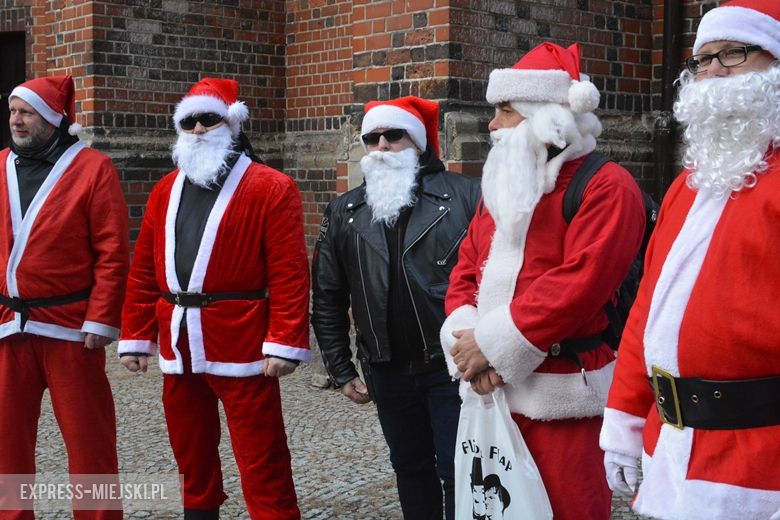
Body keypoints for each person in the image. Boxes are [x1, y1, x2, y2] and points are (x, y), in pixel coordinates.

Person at [440, 42, 646, 520]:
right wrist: (467, 343)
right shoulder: (503, 185)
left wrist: (491, 346)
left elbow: (581, 283)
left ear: (545, 117)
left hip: (564, 396)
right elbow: (465, 270)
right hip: (490, 389)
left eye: (504, 111)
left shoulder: (607, 185)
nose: (492, 124)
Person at [600, 1, 780, 518]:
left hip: (757, 463)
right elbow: (648, 312)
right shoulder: (687, 186)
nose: (714, 71)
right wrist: (625, 421)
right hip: (673, 449)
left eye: (735, 54)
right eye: (703, 60)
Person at [118, 78, 310, 520]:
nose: (200, 127)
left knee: (262, 457)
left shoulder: (270, 187)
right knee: (190, 453)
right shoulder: (164, 189)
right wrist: (136, 334)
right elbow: (145, 266)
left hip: (241, 340)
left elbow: (289, 272)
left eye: (210, 118)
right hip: (179, 340)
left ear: (233, 123)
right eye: (190, 120)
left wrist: (283, 340)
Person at [312, 96, 481, 519]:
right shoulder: (345, 211)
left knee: (458, 467)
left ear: (419, 142)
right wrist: (341, 366)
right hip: (386, 367)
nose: (382, 146)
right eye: (372, 138)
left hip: (450, 366)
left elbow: (491, 278)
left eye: (394, 135)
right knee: (410, 467)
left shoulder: (464, 197)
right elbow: (328, 295)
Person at [0, 75, 129, 519]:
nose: (15, 119)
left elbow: (112, 251)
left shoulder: (93, 169)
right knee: (6, 446)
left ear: (52, 118)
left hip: (71, 329)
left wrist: (101, 319)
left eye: (25, 112)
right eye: (12, 110)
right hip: (7, 327)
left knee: (89, 442)